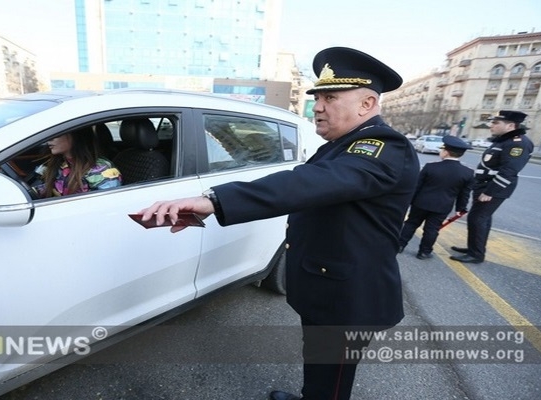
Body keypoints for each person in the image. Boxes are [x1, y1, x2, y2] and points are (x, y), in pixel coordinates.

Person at [139, 47, 419, 400]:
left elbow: (309, 184)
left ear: (366, 105)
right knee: (319, 363)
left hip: (349, 296)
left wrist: (213, 200)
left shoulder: (382, 146)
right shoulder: (343, 145)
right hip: (329, 284)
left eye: (330, 98)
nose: (317, 106)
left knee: (332, 380)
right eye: (317, 98)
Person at [450, 110, 534, 263]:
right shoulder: (503, 141)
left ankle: (476, 254)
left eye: (496, 123)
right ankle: (474, 248)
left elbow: (509, 170)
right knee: (482, 219)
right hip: (483, 185)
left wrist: (491, 191)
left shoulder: (518, 143)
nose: (491, 125)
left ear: (510, 125)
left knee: (477, 218)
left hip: (492, 188)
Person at [398, 135, 474, 259]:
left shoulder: (430, 167)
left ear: (445, 152)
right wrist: (461, 208)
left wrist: (409, 200)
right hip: (442, 206)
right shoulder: (467, 173)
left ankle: (400, 245)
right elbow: (464, 194)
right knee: (432, 229)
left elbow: (416, 186)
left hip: (421, 203)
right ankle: (424, 252)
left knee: (411, 223)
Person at [35, 127, 122, 198]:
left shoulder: (100, 170)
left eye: (57, 134)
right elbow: (48, 188)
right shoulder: (62, 164)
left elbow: (108, 205)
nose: (50, 139)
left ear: (75, 136)